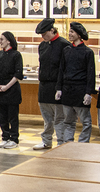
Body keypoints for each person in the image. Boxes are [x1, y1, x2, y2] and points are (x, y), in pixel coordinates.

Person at [56, 22, 95, 143]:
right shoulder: (66, 50)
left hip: (81, 90)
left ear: (79, 34)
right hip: (67, 90)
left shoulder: (88, 52)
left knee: (86, 122)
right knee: (68, 121)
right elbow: (61, 70)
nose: (70, 34)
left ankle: (83, 144)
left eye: (72, 32)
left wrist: (89, 92)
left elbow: (91, 74)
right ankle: (68, 144)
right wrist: (59, 88)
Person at [34, 18, 69, 150]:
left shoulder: (64, 45)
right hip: (44, 86)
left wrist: (60, 87)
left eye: (44, 34)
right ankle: (46, 140)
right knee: (47, 118)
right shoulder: (42, 46)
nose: (43, 37)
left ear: (52, 30)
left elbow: (63, 68)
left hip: (57, 86)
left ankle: (61, 142)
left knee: (59, 118)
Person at [0, 31, 24, 149]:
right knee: (2, 117)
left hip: (11, 90)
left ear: (8, 41)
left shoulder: (16, 55)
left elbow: (18, 74)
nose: (0, 42)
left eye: (2, 39)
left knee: (12, 116)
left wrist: (6, 86)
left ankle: (14, 138)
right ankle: (5, 137)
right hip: (0, 89)